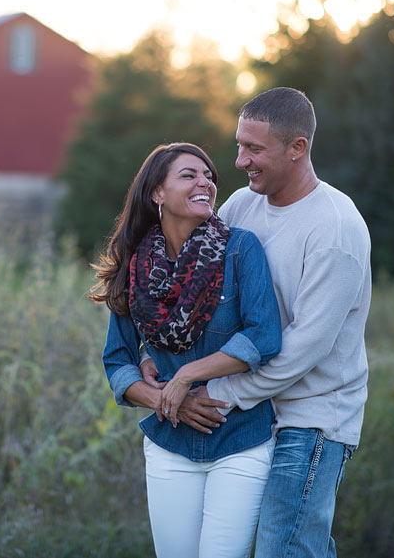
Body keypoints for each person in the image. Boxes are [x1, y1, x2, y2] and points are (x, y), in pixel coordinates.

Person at [142, 88, 372, 558]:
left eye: (254, 148)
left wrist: (217, 394)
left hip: (309, 417)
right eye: (239, 144)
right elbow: (198, 291)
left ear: (297, 148)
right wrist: (154, 353)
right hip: (251, 411)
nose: (240, 159)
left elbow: (305, 348)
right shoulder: (241, 207)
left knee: (285, 548)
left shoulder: (334, 228)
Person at [98, 142, 282, 558]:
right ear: (157, 193)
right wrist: (170, 402)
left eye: (209, 176)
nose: (205, 183)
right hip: (169, 442)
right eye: (189, 175)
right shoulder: (136, 265)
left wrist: (185, 376)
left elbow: (264, 336)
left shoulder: (240, 248)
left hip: (240, 439)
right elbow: (118, 360)